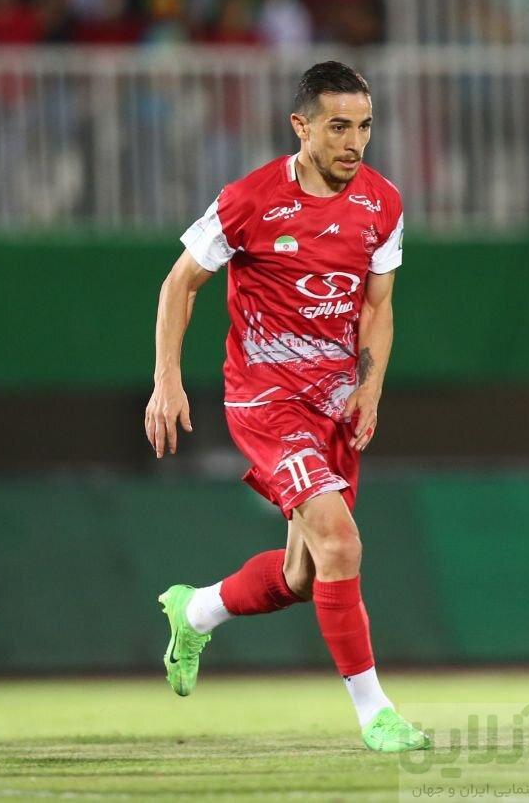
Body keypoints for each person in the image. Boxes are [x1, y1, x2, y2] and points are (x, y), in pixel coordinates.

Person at [144, 61, 429, 753]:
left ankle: (196, 610)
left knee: (306, 574)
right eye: (338, 127)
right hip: (267, 399)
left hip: (336, 403)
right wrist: (167, 378)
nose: (354, 142)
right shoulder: (249, 200)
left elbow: (378, 307)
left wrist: (370, 386)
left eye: (364, 127)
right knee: (341, 543)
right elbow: (181, 282)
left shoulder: (383, 203)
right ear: (301, 126)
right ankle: (375, 713)